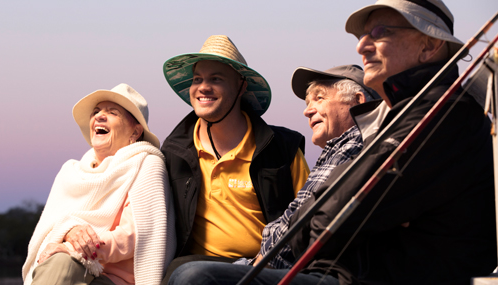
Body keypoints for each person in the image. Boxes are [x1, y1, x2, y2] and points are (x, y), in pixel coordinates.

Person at [168, 1, 497, 284]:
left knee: (194, 278)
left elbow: (336, 213)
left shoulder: (442, 112)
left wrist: (326, 208)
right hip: (345, 271)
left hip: (369, 277)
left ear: (428, 46)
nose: (361, 46)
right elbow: (330, 207)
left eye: (380, 32)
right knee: (184, 271)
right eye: (362, 36)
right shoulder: (402, 114)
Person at [160, 35, 310, 282]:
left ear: (241, 87)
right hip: (196, 269)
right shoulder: (173, 151)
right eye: (197, 79)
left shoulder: (283, 148)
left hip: (264, 269)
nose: (203, 87)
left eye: (216, 79)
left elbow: (309, 216)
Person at [22, 83, 176, 285]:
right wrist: (69, 230)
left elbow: (132, 237)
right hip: (66, 267)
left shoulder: (147, 164)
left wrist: (76, 248)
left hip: (112, 279)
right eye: (96, 112)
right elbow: (50, 231)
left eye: (112, 112)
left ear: (136, 131)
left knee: (62, 263)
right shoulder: (71, 172)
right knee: (59, 262)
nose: (99, 117)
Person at [247, 65, 378, 269]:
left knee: (191, 275)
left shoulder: (354, 146)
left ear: (357, 102)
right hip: (277, 266)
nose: (307, 111)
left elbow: (302, 229)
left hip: (289, 270)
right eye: (308, 102)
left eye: (319, 98)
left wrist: (256, 266)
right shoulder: (336, 150)